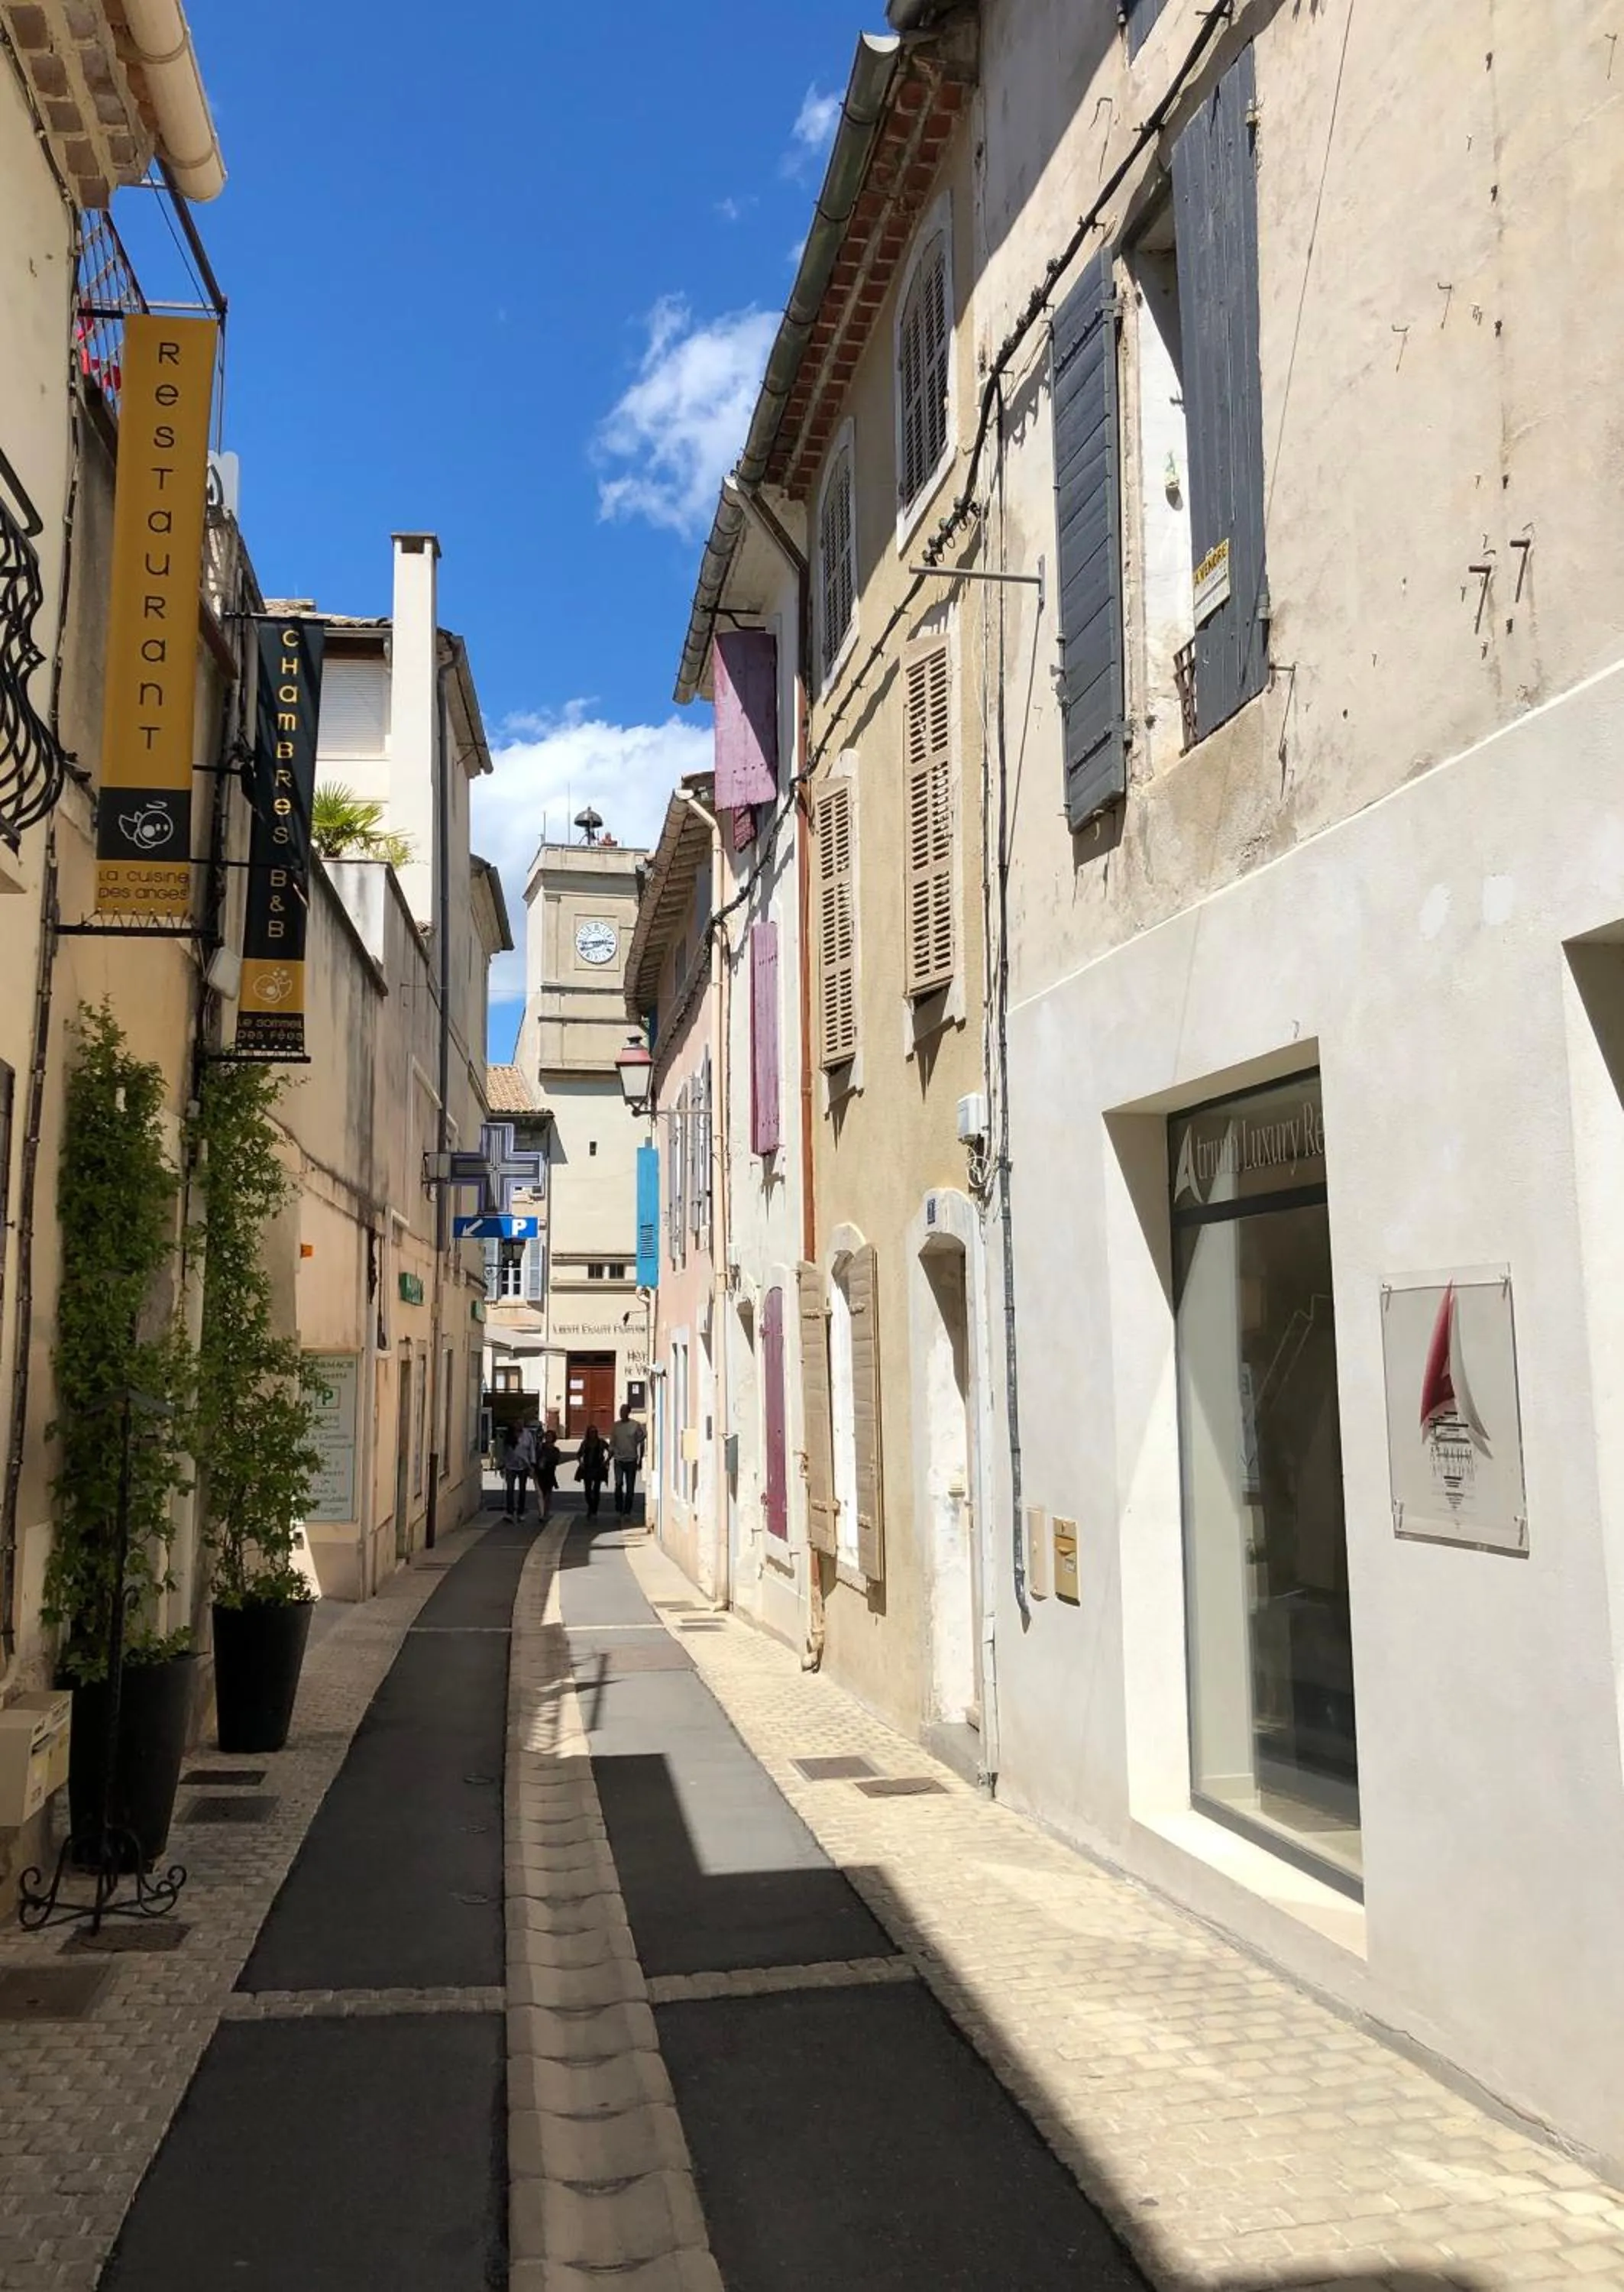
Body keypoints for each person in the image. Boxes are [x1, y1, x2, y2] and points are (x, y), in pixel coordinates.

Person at [609, 1403, 646, 1517]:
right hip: (618, 1460)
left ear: (628, 1412)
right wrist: (608, 1459)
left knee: (630, 1487)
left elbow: (642, 1440)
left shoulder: (635, 1425)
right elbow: (612, 1443)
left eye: (624, 1411)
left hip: (631, 1460)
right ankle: (619, 1507)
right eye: (621, 1411)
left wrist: (641, 1459)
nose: (622, 1413)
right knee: (618, 1483)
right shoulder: (616, 1426)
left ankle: (627, 1510)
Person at [502, 1421, 535, 1519]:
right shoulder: (509, 1435)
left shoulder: (527, 1435)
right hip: (510, 1465)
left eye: (520, 1423)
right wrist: (502, 1464)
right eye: (517, 1423)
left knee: (522, 1489)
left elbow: (532, 1449)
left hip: (524, 1466)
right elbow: (504, 1450)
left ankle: (521, 1512)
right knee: (510, 1489)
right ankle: (510, 1512)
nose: (519, 1425)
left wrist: (532, 1463)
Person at [575, 1421, 609, 1517]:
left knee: (596, 1490)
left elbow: (611, 1450)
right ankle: (591, 1506)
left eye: (595, 1432)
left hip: (598, 1468)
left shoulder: (601, 1442)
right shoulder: (585, 1443)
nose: (593, 1434)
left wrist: (607, 1461)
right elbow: (578, 1454)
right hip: (587, 1468)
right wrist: (580, 1462)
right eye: (591, 1432)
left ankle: (594, 1509)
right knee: (587, 1491)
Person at [535, 1424, 563, 1523]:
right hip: (540, 1473)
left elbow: (556, 1461)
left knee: (548, 1494)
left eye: (550, 1437)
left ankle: (546, 1512)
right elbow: (536, 1458)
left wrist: (547, 1460)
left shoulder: (555, 1450)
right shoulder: (540, 1448)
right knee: (540, 1494)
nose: (548, 1438)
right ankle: (541, 1513)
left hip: (550, 1473)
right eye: (547, 1436)